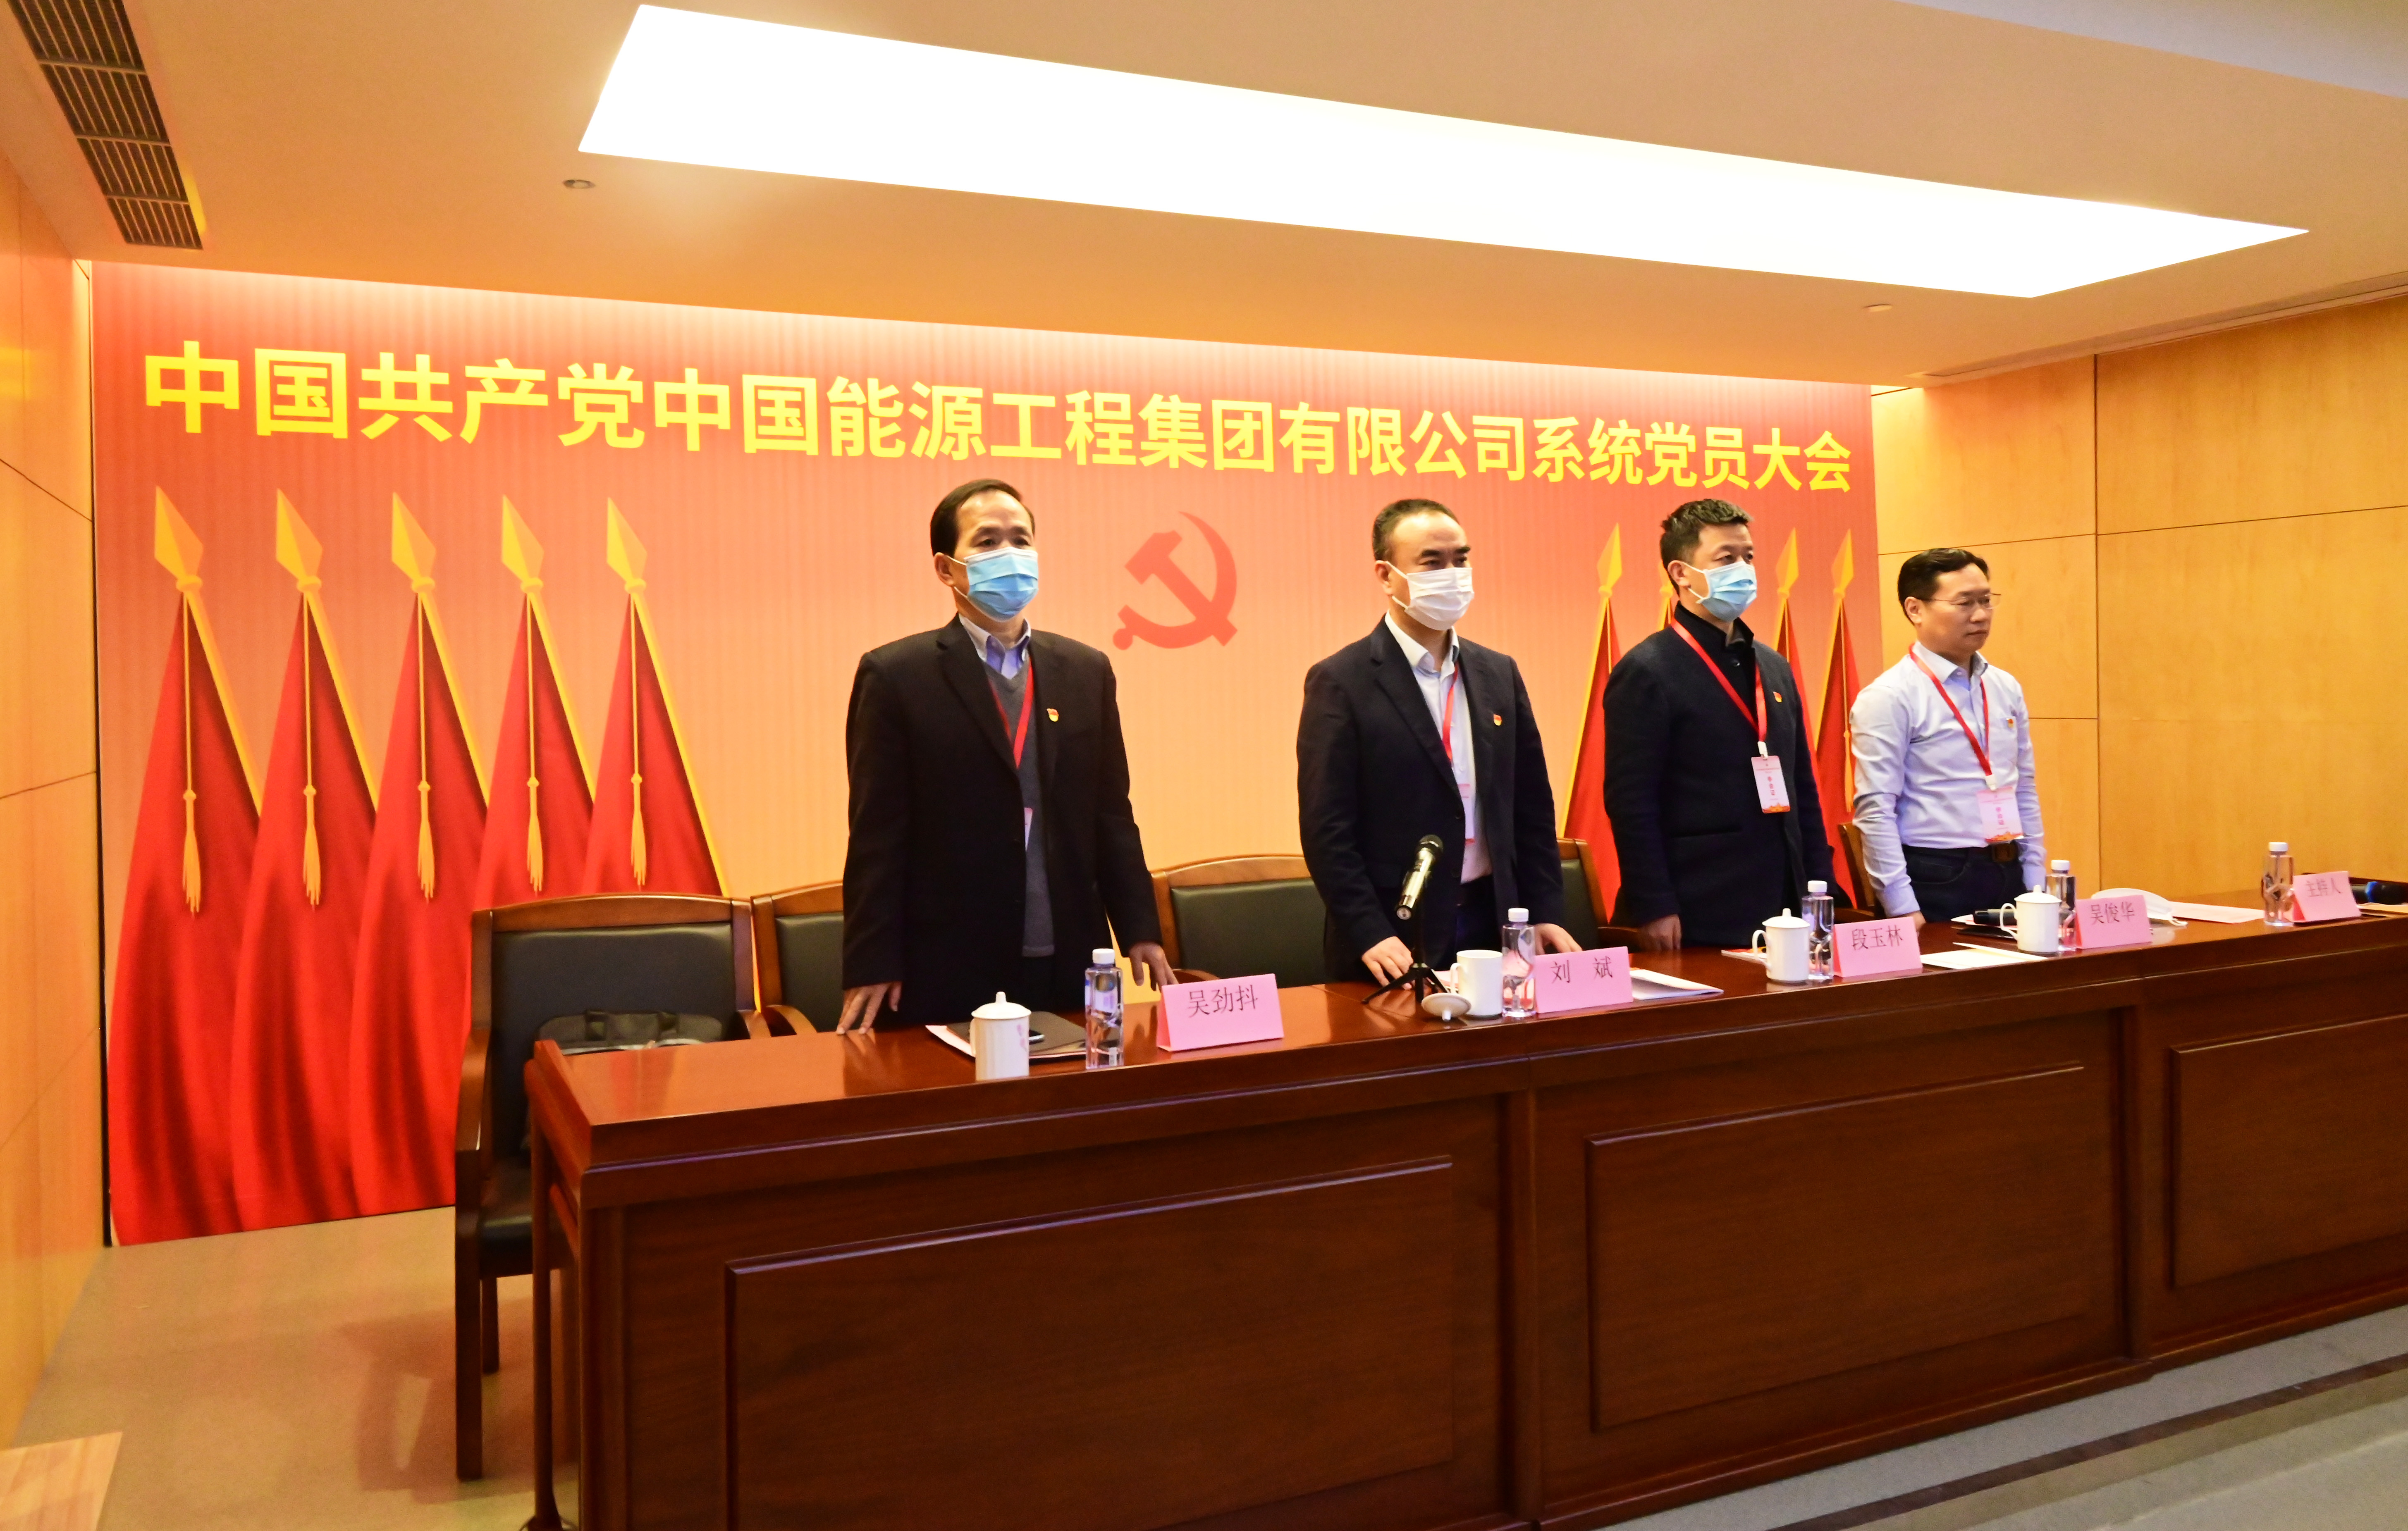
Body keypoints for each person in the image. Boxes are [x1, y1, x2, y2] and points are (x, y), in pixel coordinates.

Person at [838, 479, 1170, 1031]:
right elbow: (878, 833)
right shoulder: (897, 676)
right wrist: (872, 959)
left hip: (1067, 949)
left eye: (1021, 539)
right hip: (948, 957)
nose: (1009, 554)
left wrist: (1139, 927)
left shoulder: (1084, 671)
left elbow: (1111, 813)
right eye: (988, 541)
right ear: (947, 568)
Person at [1298, 498, 1579, 987]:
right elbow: (1327, 828)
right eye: (1431, 562)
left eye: (1460, 559)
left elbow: (1531, 806)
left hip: (1494, 918)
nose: (1451, 575)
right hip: (1395, 933)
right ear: (1387, 576)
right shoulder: (1342, 681)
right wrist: (1368, 931)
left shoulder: (1498, 672)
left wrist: (1545, 910)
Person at [1602, 497, 1832, 952]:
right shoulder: (1648, 669)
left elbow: (1801, 785)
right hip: (1699, 899)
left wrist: (1819, 887)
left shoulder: (1773, 666)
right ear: (1681, 573)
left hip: (1787, 895)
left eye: (1748, 557)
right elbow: (1632, 802)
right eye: (1726, 559)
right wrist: (1654, 904)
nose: (1743, 570)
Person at [1850, 547, 2044, 925]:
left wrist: (2036, 884)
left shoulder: (2005, 686)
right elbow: (1876, 809)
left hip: (2009, 866)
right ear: (1915, 610)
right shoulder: (1890, 696)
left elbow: (2024, 787)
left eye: (1986, 601)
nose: (1981, 615)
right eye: (1964, 603)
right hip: (1938, 874)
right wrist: (1902, 906)